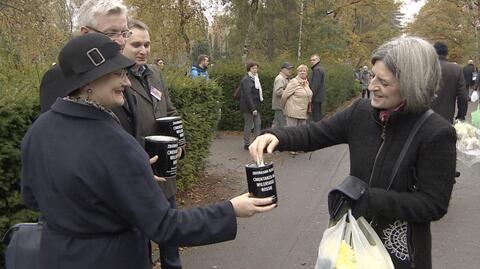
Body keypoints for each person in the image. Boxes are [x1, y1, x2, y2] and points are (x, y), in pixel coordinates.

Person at [21, 33, 276, 269]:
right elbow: (164, 226)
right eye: (119, 74)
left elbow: (32, 197)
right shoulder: (115, 143)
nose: (127, 82)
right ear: (89, 82)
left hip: (56, 256)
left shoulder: (39, 129)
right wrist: (231, 209)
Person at [248, 36, 456, 269]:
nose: (372, 86)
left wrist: (370, 199)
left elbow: (433, 204)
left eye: (384, 82)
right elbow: (315, 134)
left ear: (412, 84)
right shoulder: (361, 112)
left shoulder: (436, 133)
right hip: (352, 243)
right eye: (373, 76)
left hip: (400, 255)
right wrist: (277, 136)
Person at [122, 19, 184, 269]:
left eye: (147, 44)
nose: (143, 50)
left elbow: (170, 110)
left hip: (165, 176)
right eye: (136, 44)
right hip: (137, 174)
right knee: (139, 245)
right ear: (121, 45)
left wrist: (180, 141)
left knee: (171, 238)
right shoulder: (118, 78)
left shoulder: (155, 74)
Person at [39, 0, 138, 137]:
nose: (121, 41)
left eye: (124, 33)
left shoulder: (123, 70)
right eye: (111, 33)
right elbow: (59, 138)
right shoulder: (60, 76)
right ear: (85, 32)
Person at [431, 41, 468, 123]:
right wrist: (461, 116)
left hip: (425, 119)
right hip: (446, 118)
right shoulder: (456, 69)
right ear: (446, 53)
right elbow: (463, 96)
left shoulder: (425, 68)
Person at [240, 60, 263, 150]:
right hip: (248, 107)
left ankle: (257, 142)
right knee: (249, 125)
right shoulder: (246, 79)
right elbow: (248, 95)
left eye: (256, 68)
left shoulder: (256, 78)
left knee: (258, 124)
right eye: (253, 68)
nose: (255, 70)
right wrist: (253, 108)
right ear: (249, 69)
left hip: (256, 105)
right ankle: (246, 143)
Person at [271, 62, 293, 128]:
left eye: (291, 69)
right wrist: (290, 92)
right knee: (282, 126)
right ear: (283, 69)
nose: (290, 70)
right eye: (288, 69)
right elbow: (278, 91)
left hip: (282, 106)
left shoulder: (285, 78)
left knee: (277, 125)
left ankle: (270, 136)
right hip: (280, 106)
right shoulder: (280, 79)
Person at [309, 54, 326, 122]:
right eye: (311, 60)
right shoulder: (319, 68)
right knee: (318, 115)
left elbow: (315, 85)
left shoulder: (317, 69)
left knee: (316, 117)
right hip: (319, 97)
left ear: (318, 60)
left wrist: (310, 97)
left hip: (316, 98)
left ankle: (317, 130)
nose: (312, 61)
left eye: (314, 60)